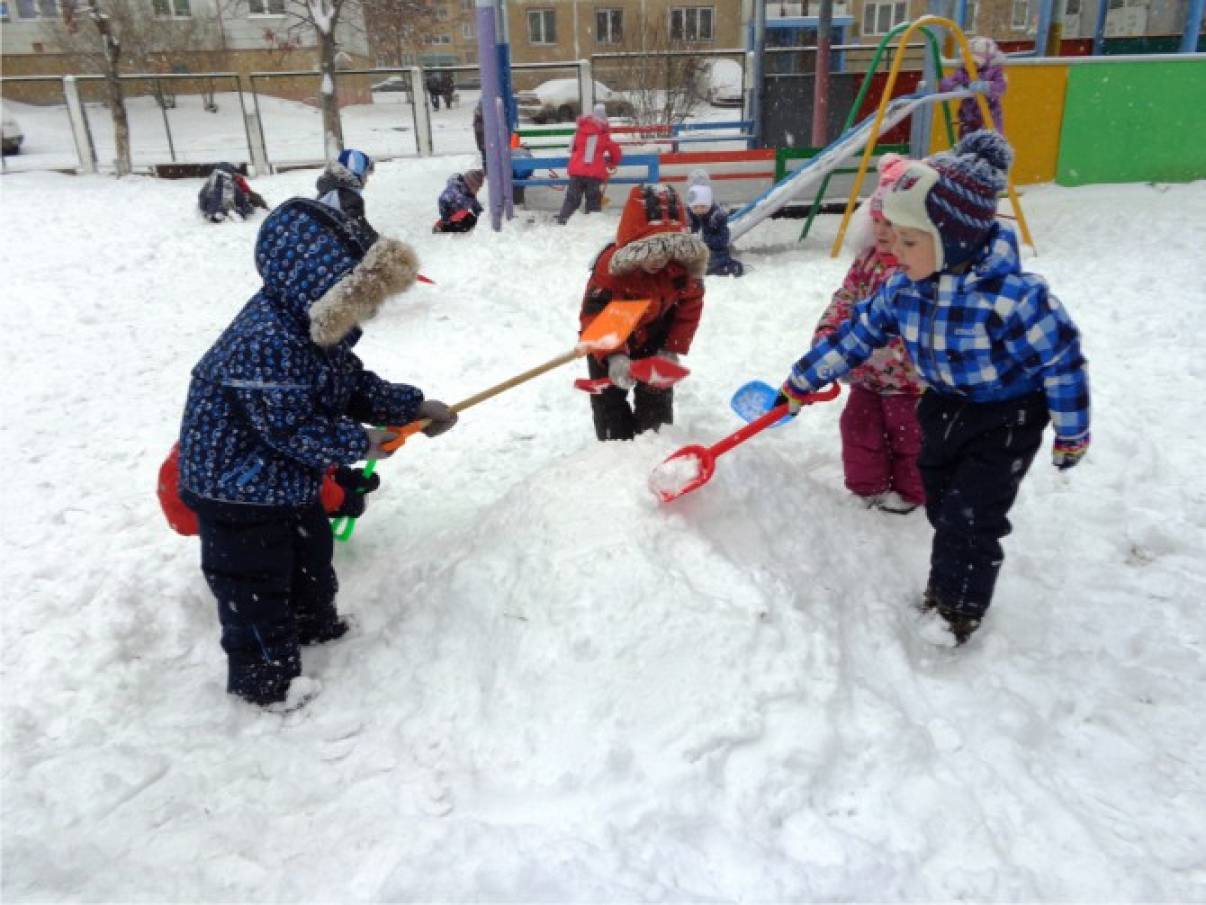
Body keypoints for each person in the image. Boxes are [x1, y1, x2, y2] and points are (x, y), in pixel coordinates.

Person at [775, 131, 1090, 646]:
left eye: (909, 240)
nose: (894, 251)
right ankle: (951, 577)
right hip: (942, 404)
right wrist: (801, 380)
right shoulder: (903, 288)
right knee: (943, 505)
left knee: (972, 517)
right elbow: (855, 336)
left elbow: (1063, 363)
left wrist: (1071, 433)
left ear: (954, 238)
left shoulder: (1015, 298)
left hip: (1007, 417)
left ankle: (958, 608)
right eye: (892, 237)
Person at [175, 197, 460, 707]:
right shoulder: (265, 341)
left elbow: (348, 385)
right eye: (360, 298)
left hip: (283, 479)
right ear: (322, 291)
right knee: (253, 585)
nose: (367, 312)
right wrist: (362, 442)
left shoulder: (312, 330)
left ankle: (313, 623)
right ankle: (265, 682)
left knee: (310, 555)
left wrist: (410, 407)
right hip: (233, 489)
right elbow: (293, 429)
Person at [812, 153, 923, 514]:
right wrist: (829, 330)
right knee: (858, 428)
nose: (881, 231)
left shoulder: (921, 269)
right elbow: (846, 297)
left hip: (910, 381)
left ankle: (912, 491)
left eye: (890, 223)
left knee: (910, 437)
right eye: (876, 220)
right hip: (865, 374)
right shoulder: (868, 260)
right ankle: (867, 486)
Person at [579, 184, 708, 441]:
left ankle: (652, 451)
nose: (658, 262)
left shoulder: (681, 268)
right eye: (649, 254)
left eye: (664, 254)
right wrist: (614, 356)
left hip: (655, 336)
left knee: (656, 417)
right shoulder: (610, 270)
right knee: (609, 407)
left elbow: (690, 307)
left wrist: (672, 348)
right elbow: (594, 316)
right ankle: (615, 453)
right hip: (609, 335)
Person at [556, 103, 622, 225]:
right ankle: (592, 224)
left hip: (576, 171)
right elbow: (616, 152)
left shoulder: (580, 131)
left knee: (572, 199)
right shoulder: (602, 134)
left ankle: (564, 219)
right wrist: (613, 162)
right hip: (593, 173)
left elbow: (572, 148)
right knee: (593, 200)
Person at [939, 36, 1007, 137]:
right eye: (968, 62)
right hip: (968, 120)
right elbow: (945, 84)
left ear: (985, 60)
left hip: (988, 118)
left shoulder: (993, 71)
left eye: (975, 62)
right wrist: (954, 87)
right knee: (966, 143)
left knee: (986, 144)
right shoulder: (963, 72)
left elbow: (1001, 86)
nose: (971, 65)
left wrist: (985, 86)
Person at [316, 148, 377, 248]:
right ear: (357, 173)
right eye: (365, 175)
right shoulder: (350, 197)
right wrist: (381, 243)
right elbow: (361, 232)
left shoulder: (326, 190)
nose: (367, 180)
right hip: (336, 250)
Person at [685, 183, 744, 277]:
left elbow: (723, 240)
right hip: (696, 251)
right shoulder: (690, 217)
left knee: (713, 262)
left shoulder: (716, 218)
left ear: (709, 204)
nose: (699, 210)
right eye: (695, 207)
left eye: (703, 206)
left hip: (715, 251)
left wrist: (707, 239)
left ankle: (732, 267)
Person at [197, 163, 268, 223]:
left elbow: (202, 198)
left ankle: (218, 213)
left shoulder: (209, 184)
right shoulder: (231, 183)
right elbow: (241, 196)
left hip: (210, 208)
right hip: (229, 205)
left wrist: (204, 209)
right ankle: (225, 213)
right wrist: (248, 209)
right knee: (236, 204)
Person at [433, 169, 484, 233]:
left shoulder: (471, 196)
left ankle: (450, 225)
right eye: (477, 187)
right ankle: (442, 227)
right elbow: (442, 200)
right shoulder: (455, 190)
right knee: (465, 220)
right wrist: (445, 215)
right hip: (449, 213)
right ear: (470, 184)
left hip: (458, 214)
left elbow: (477, 208)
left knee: (471, 219)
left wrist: (482, 216)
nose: (478, 190)